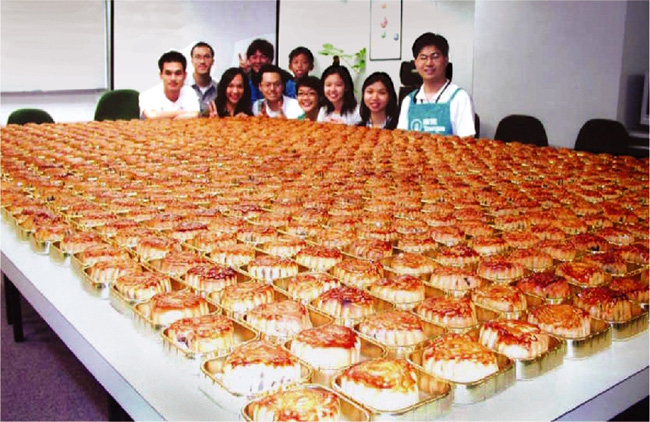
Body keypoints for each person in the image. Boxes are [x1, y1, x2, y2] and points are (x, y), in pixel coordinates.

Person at [397, 32, 475, 136]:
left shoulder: (460, 98)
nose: (429, 63)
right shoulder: (409, 101)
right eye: (423, 57)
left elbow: (467, 143)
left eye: (435, 56)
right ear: (415, 63)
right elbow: (401, 141)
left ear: (446, 60)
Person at [139, 51, 200, 120]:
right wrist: (183, 113)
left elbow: (195, 115)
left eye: (177, 73)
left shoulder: (189, 92)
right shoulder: (148, 95)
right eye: (168, 73)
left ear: (185, 76)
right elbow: (151, 116)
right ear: (161, 75)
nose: (173, 78)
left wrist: (161, 116)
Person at [239, 38, 293, 103]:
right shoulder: (246, 77)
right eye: (254, 57)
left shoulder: (284, 78)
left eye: (263, 57)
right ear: (248, 59)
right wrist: (242, 74)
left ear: (270, 59)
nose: (258, 61)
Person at [188, 41, 218, 116]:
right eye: (198, 57)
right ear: (192, 60)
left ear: (212, 61)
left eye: (207, 57)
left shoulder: (220, 89)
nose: (202, 61)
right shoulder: (183, 87)